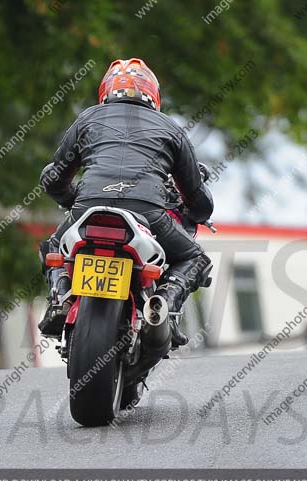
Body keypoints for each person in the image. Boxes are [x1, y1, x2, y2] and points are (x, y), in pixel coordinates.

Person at [38, 58, 213, 347]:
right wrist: (192, 212)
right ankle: (163, 307)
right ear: (153, 95)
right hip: (148, 210)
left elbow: (54, 177)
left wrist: (73, 201)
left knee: (53, 246)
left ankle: (60, 298)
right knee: (195, 257)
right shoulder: (171, 128)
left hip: (89, 206)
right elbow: (197, 198)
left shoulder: (87, 118)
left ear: (105, 91)